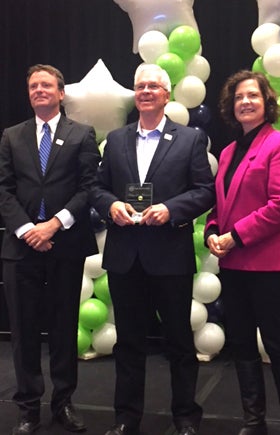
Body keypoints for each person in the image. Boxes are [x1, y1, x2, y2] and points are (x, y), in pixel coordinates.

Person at [90, 63, 215, 435]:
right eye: (140, 86)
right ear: (135, 94)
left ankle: (185, 418)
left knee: (179, 342)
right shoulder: (116, 139)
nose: (145, 91)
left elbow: (205, 191)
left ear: (166, 94)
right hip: (126, 257)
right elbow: (97, 188)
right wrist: (110, 204)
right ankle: (127, 418)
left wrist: (171, 209)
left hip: (169, 257)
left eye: (153, 86)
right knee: (128, 343)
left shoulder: (191, 140)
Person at [0, 64, 101, 434]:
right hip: (21, 246)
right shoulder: (12, 136)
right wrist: (28, 229)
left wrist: (54, 223)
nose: (39, 90)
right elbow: (3, 189)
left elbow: (89, 187)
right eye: (33, 86)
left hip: (65, 244)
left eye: (46, 85)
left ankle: (63, 404)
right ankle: (28, 408)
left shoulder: (82, 135)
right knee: (23, 333)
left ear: (61, 93)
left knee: (63, 329)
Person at [205, 69, 280, 435]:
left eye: (254, 96)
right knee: (241, 343)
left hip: (268, 264)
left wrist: (235, 236)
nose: (246, 101)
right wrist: (213, 231)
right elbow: (221, 206)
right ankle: (253, 420)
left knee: (276, 345)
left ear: (267, 103)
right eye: (240, 96)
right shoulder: (228, 152)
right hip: (234, 263)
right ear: (232, 105)